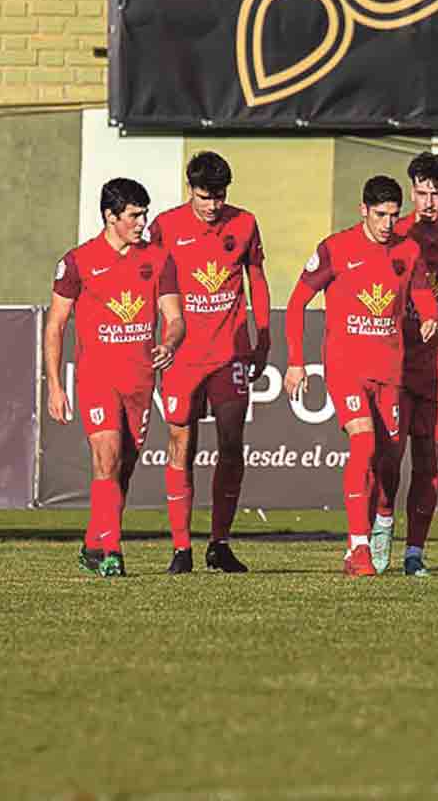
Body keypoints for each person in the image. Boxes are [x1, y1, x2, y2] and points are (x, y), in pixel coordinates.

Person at [284, 176, 438, 577]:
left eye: (393, 214)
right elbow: (298, 300)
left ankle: (383, 519)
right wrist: (296, 361)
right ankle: (357, 548)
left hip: (390, 370)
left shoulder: (408, 250)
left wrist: (430, 317)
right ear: (363, 211)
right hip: (346, 367)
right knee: (364, 442)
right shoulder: (337, 248)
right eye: (380, 215)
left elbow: (422, 291)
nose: (388, 223)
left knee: (389, 462)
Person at [45, 177, 184, 577]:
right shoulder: (77, 262)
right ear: (110, 217)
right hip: (96, 379)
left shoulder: (159, 259)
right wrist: (55, 386)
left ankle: (93, 543)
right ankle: (112, 553)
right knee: (105, 459)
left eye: (144, 214)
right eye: (135, 215)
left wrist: (170, 343)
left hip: (140, 382)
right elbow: (55, 324)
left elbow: (174, 319)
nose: (143, 222)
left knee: (122, 469)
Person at [146, 151, 270, 575]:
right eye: (205, 196)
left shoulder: (246, 223)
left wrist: (264, 336)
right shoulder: (165, 226)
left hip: (230, 351)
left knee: (232, 444)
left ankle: (219, 543)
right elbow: (151, 284)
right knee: (182, 443)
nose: (213, 205)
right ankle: (181, 547)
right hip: (183, 356)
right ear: (190, 190)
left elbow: (257, 279)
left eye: (219, 196)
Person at [372, 152, 438, 576]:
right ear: (412, 191)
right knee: (389, 459)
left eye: (437, 193)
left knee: (429, 464)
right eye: (422, 192)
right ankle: (382, 522)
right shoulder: (396, 233)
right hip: (397, 364)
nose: (429, 201)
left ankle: (414, 553)